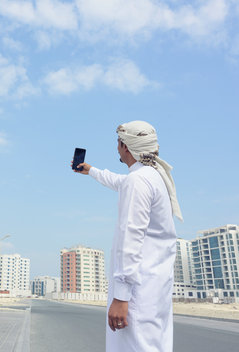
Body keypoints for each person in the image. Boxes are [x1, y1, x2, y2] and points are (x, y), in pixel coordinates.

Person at [74, 120, 182, 352]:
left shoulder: (139, 181)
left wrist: (121, 297)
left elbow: (130, 238)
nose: (117, 148)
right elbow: (120, 182)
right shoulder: (151, 177)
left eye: (118, 143)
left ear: (125, 146)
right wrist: (91, 170)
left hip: (137, 292)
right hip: (156, 287)